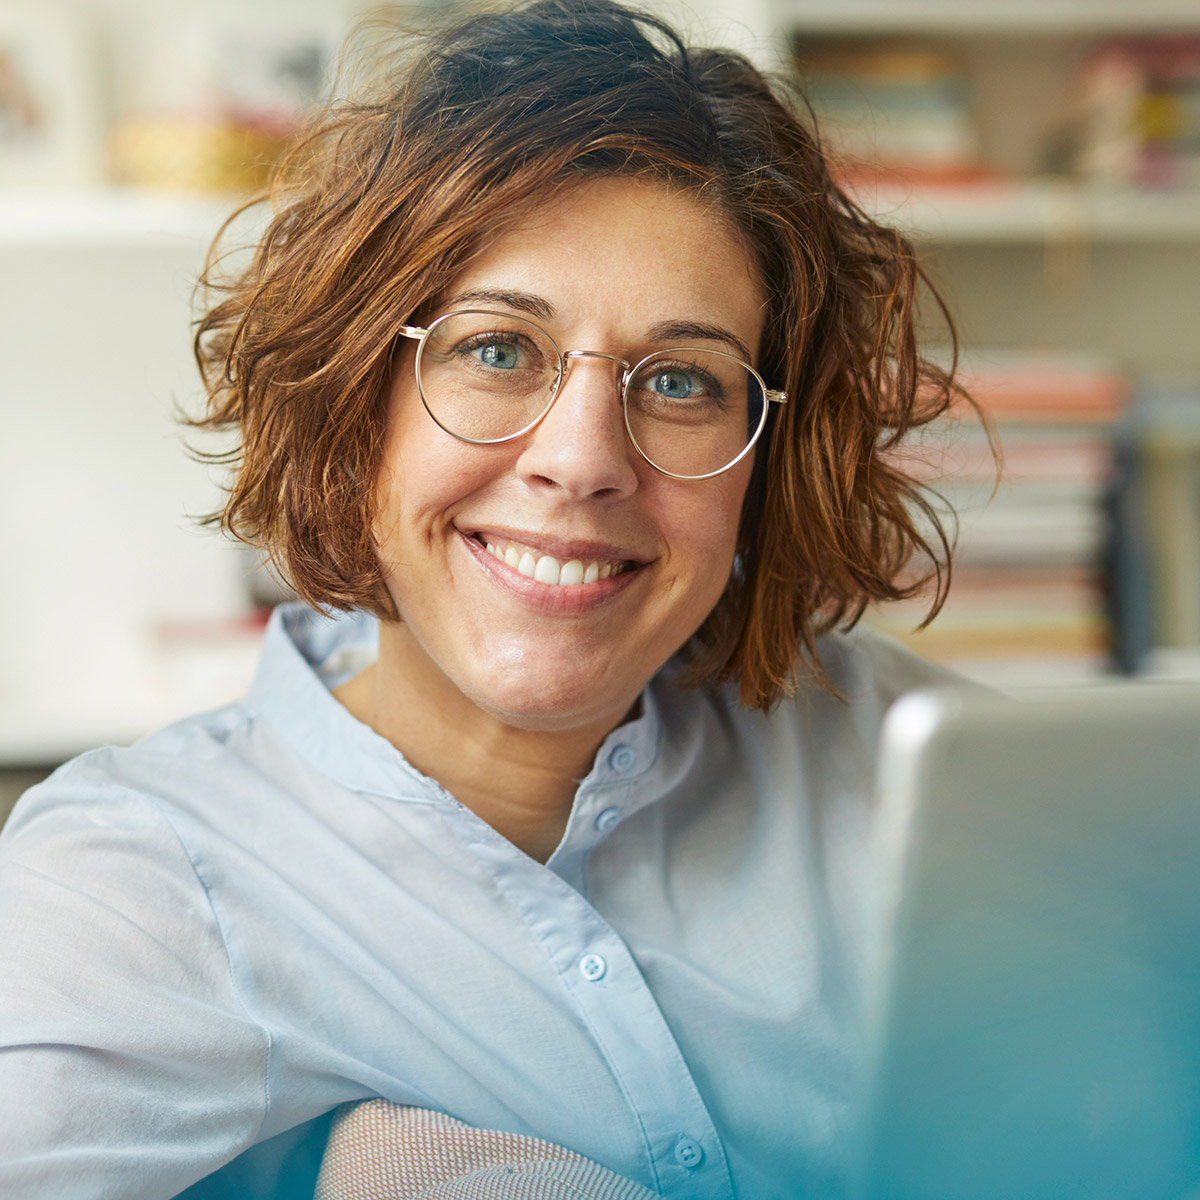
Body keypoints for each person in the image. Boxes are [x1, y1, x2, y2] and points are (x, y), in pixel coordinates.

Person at [0, 1, 974, 1197]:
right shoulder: (135, 886)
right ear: (356, 402)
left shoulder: (929, 770)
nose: (583, 459)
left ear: (766, 463)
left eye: (681, 381)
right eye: (498, 349)